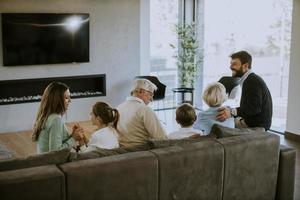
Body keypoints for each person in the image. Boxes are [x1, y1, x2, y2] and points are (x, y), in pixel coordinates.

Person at [217, 50, 273, 130]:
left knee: (220, 121)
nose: (230, 67)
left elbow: (254, 108)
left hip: (255, 126)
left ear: (245, 66)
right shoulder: (250, 79)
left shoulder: (252, 81)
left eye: (234, 64)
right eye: (231, 63)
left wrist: (231, 112)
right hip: (254, 122)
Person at [32, 82, 84, 154]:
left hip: (43, 160)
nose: (70, 100)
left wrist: (72, 135)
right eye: (66, 98)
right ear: (57, 100)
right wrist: (74, 139)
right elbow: (55, 153)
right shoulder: (56, 120)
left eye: (69, 97)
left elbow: (58, 144)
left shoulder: (47, 116)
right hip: (51, 163)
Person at [117, 78, 167, 147]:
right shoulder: (145, 110)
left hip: (122, 151)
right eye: (151, 94)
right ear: (141, 91)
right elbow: (162, 138)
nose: (152, 99)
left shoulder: (118, 108)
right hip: (141, 152)